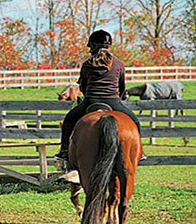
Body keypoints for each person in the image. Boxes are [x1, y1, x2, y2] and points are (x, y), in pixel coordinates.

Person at [55, 29, 145, 161]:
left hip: (91, 101)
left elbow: (83, 88)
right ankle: (140, 152)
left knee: (69, 119)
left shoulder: (87, 64)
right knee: (134, 121)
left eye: (90, 46)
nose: (89, 49)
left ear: (94, 46)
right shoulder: (119, 64)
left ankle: (64, 151)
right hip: (114, 102)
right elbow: (122, 88)